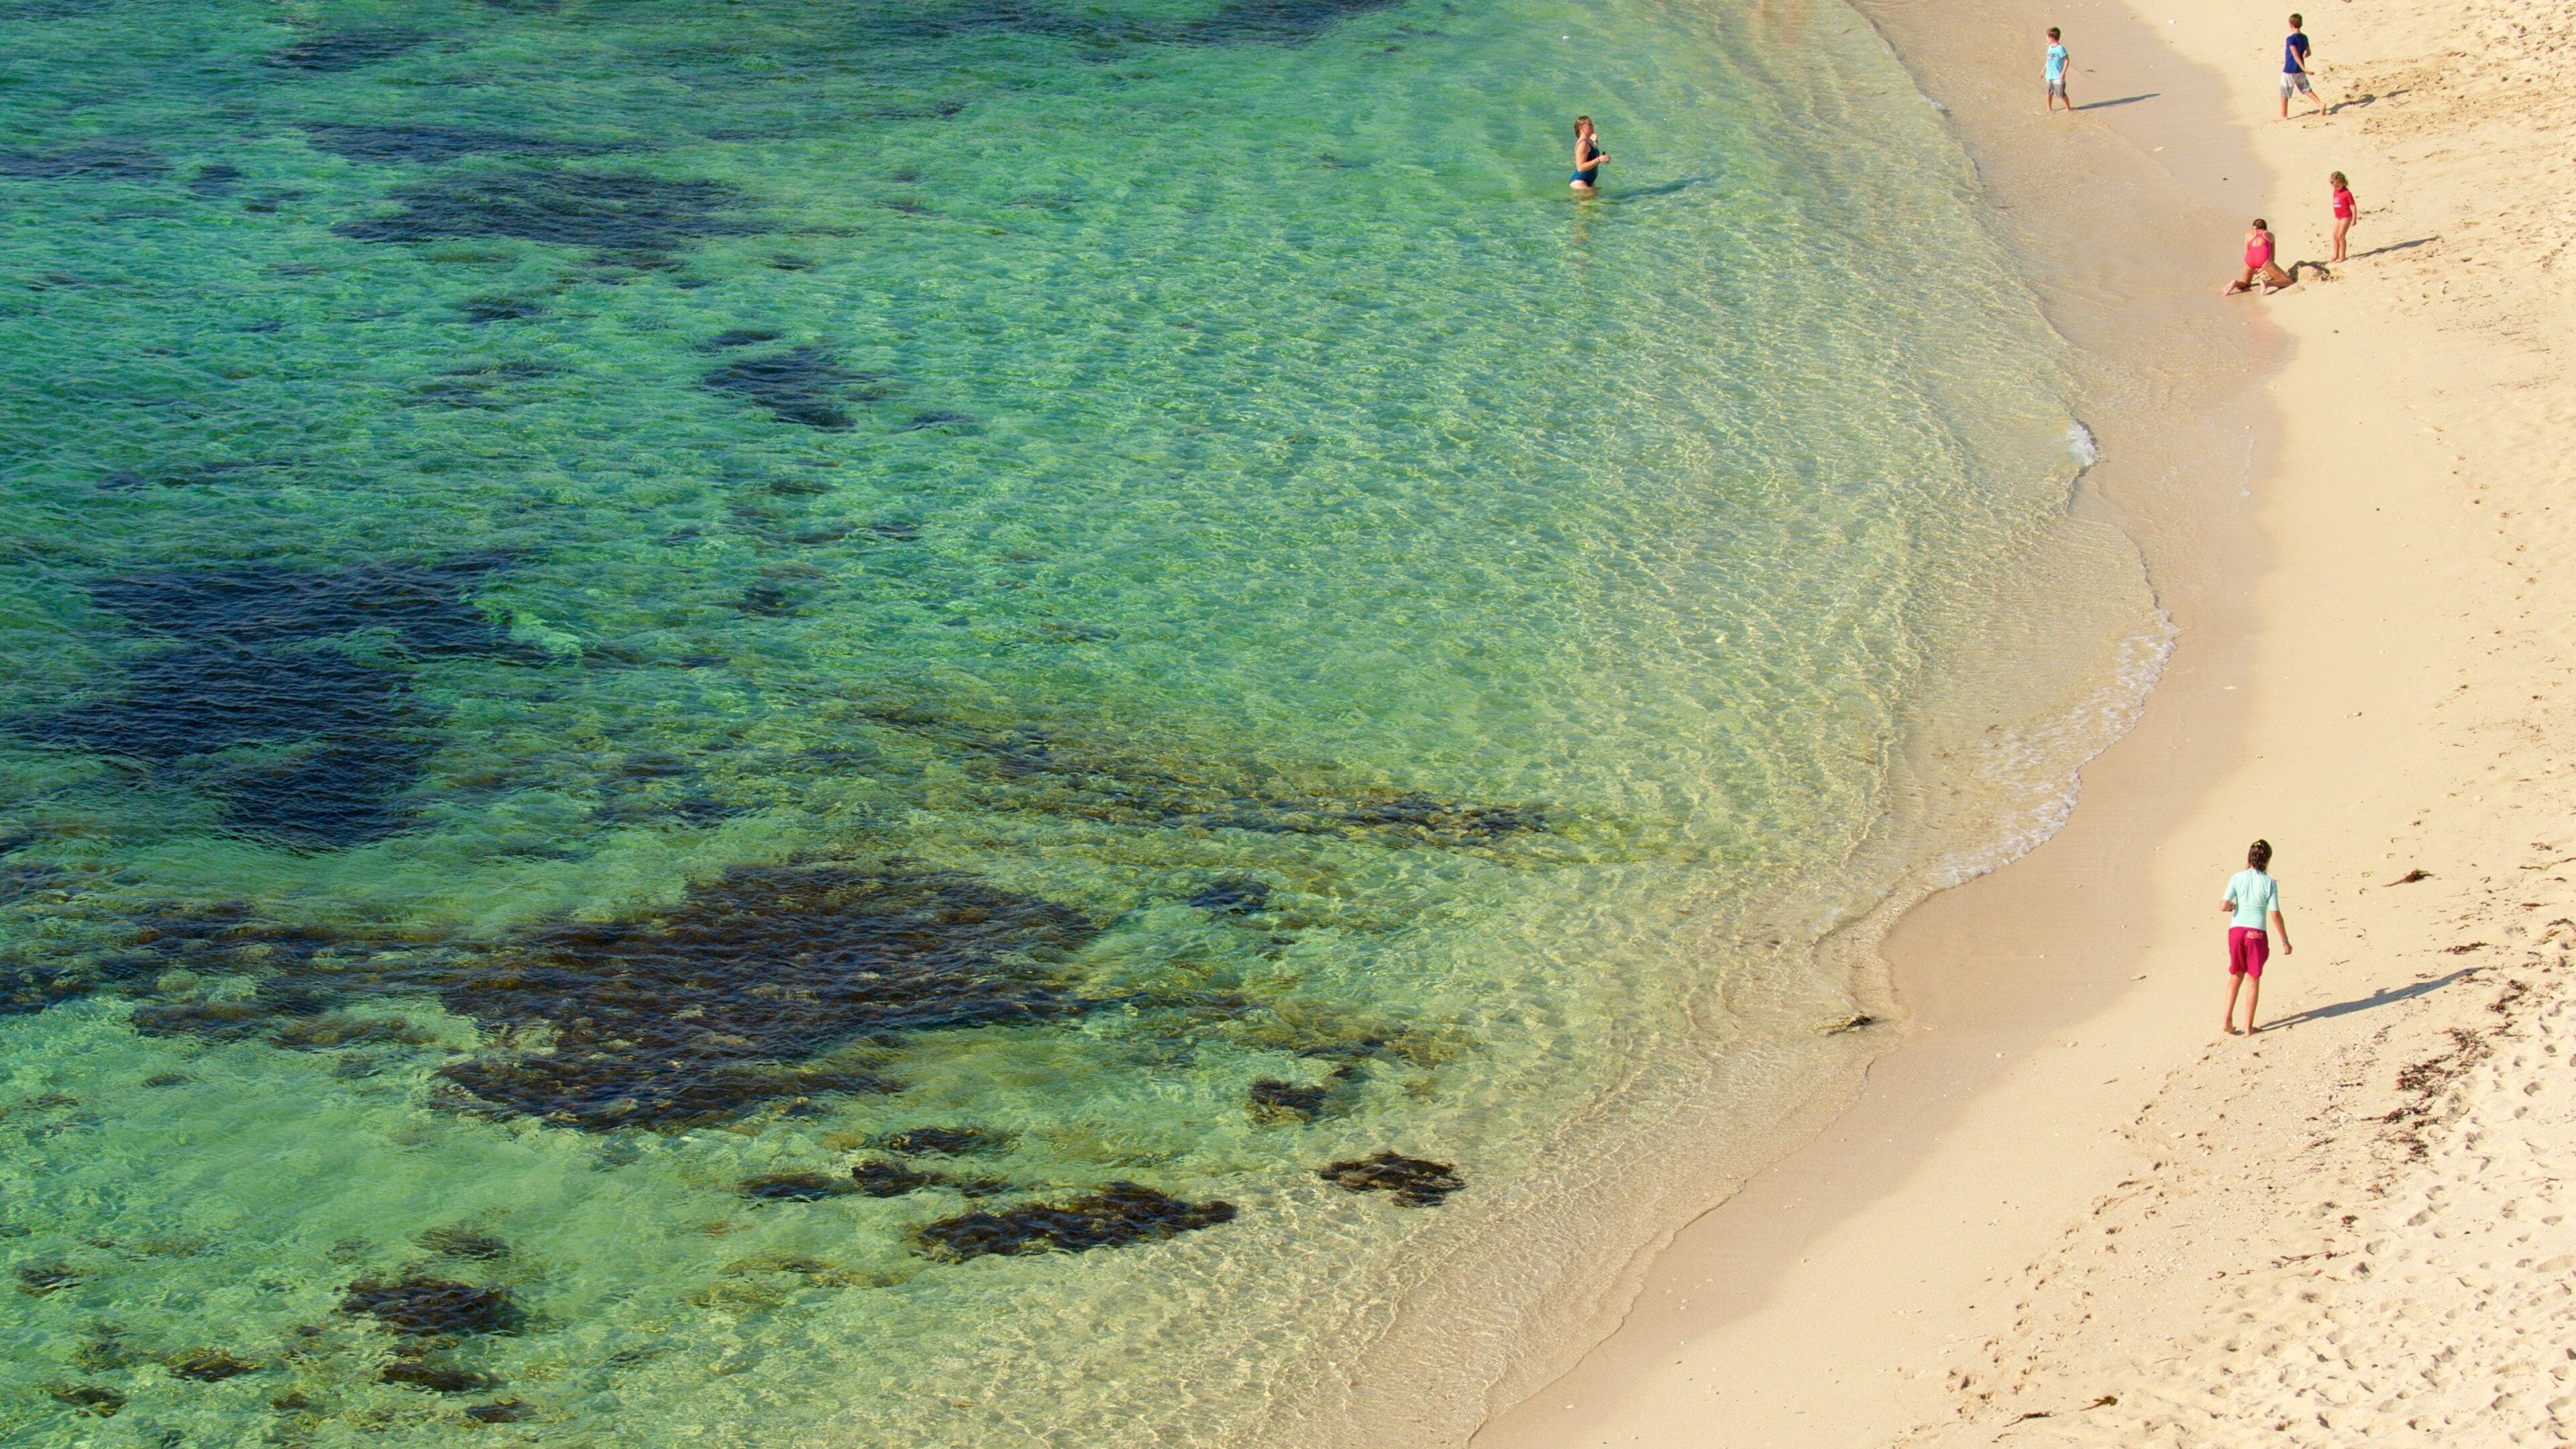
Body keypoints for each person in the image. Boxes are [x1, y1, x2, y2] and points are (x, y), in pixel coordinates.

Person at [2222, 839, 2292, 1034]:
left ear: (2249, 857)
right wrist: (2284, 940)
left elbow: (2223, 906)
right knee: (2253, 978)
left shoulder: (2236, 878)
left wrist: (2234, 907)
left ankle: (2227, 1020)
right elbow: (2275, 914)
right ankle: (2248, 1027)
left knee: (2236, 974)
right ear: (2267, 860)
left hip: (2236, 931)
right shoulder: (2269, 883)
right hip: (2256, 933)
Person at [2222, 217, 2294, 294]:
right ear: (2265, 227)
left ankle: (2235, 283)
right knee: (2288, 281)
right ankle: (2267, 284)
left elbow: (2247, 252)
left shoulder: (2248, 234)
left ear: (2254, 227)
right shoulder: (2270, 235)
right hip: (2263, 259)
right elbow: (2272, 256)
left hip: (2249, 260)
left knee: (2245, 283)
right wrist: (2265, 269)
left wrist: (2252, 267)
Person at [2279, 14, 2320, 119]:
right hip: (2299, 70)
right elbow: (2309, 52)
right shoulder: (2304, 37)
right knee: (2306, 89)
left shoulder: (2290, 39)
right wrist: (2303, 63)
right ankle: (2320, 104)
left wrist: (2303, 68)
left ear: (2291, 25)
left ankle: (2283, 115)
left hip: (2290, 69)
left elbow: (2295, 54)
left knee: (2285, 91)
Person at [1570, 115, 1607, 195]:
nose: (1592, 126)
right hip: (1580, 181)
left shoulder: (1588, 141)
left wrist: (1595, 141)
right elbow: (1580, 167)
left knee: (1594, 204)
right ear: (1581, 127)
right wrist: (1599, 160)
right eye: (1590, 125)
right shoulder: (1583, 143)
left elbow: (1591, 153)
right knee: (1591, 205)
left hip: (1588, 181)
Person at [2328, 170, 2356, 262]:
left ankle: (2342, 256)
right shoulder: (2335, 191)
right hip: (2338, 216)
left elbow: (2353, 206)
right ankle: (2335, 255)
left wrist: (2354, 219)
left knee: (2341, 236)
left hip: (2346, 216)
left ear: (2343, 183)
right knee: (2335, 236)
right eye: (2334, 186)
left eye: (2337, 186)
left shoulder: (2347, 193)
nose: (2336, 188)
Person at [2044, 28, 2072, 113]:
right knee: (2049, 92)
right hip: (2049, 74)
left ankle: (2068, 108)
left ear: (2052, 38)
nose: (2046, 38)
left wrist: (2063, 73)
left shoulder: (2060, 48)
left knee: (2061, 94)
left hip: (2058, 75)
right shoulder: (2049, 47)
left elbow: (2067, 60)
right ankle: (2049, 108)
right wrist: (2043, 70)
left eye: (2047, 37)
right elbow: (2048, 60)